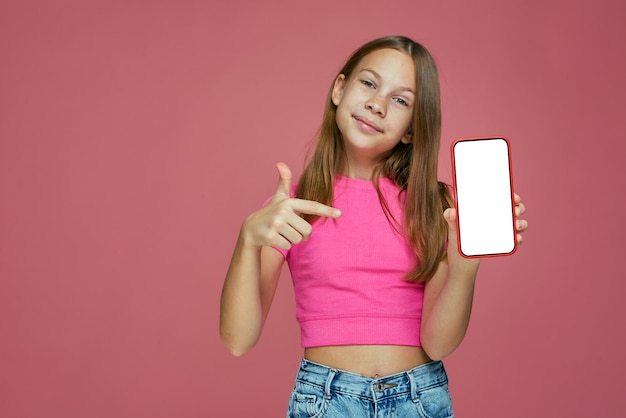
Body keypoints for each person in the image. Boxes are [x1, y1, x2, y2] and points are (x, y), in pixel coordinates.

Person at [220, 35, 528, 417]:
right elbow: (237, 339)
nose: (377, 104)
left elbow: (438, 344)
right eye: (368, 83)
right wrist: (248, 239)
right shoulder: (291, 208)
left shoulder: (437, 206)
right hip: (326, 402)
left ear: (412, 130)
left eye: (400, 100)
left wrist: (465, 267)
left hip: (419, 398)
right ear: (339, 89)